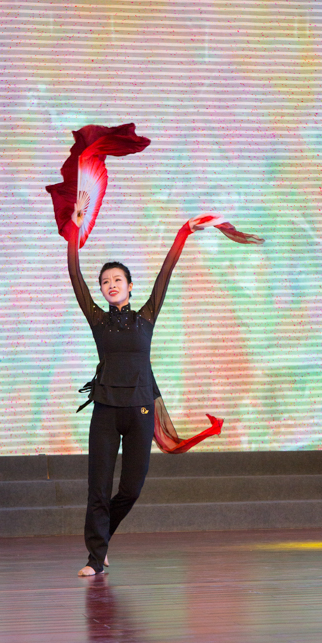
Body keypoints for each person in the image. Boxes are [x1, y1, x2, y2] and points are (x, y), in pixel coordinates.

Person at [67, 201, 213, 576]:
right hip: (105, 410)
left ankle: (103, 539)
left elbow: (166, 272)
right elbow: (75, 275)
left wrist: (183, 233)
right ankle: (95, 558)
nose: (111, 285)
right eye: (105, 282)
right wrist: (74, 230)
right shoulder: (97, 320)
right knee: (98, 489)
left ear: (130, 287)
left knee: (131, 489)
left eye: (117, 280)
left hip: (140, 410)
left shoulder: (145, 317)